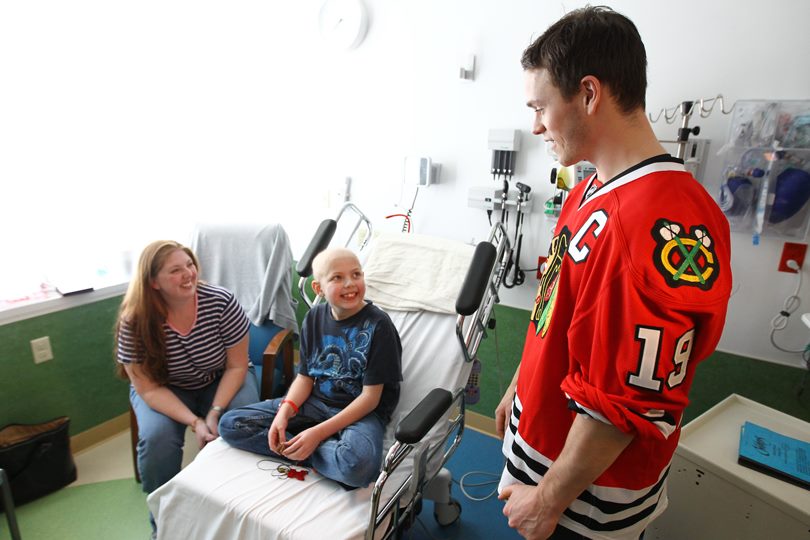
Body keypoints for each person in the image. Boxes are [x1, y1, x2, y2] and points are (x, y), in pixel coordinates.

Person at [494, 7, 732, 540]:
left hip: (581, 498)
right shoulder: (589, 188)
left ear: (588, 93)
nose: (535, 126)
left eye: (541, 107)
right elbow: (557, 305)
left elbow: (627, 400)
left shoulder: (655, 224)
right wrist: (521, 383)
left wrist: (547, 501)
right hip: (542, 444)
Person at [219, 247, 402, 488]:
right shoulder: (314, 317)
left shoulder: (379, 326)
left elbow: (370, 399)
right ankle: (311, 451)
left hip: (360, 413)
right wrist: (284, 412)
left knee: (357, 467)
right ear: (318, 288)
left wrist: (316, 434)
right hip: (316, 403)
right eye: (337, 277)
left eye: (356, 274)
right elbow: (305, 377)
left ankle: (304, 448)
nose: (350, 283)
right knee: (231, 424)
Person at [115, 240, 260, 532]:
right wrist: (196, 421)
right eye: (175, 271)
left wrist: (215, 412)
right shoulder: (135, 321)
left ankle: (237, 506)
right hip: (163, 388)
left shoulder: (220, 302)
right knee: (157, 440)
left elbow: (237, 366)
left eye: (190, 265)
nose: (188, 274)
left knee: (243, 423)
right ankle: (162, 522)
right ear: (153, 282)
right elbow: (148, 389)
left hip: (221, 377)